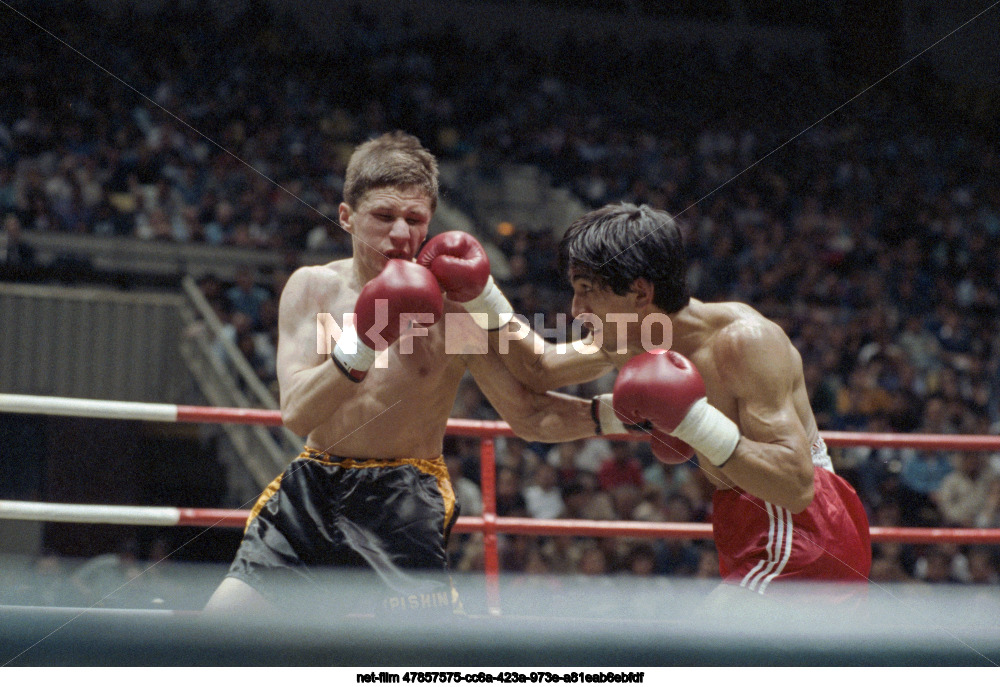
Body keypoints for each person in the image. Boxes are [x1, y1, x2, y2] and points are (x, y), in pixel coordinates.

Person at [203, 132, 604, 618]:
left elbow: (529, 414)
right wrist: (366, 339)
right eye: (383, 217)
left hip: (403, 500)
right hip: (311, 496)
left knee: (417, 664)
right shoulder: (312, 288)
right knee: (219, 631)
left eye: (414, 220)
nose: (400, 234)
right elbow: (297, 413)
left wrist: (626, 418)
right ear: (347, 216)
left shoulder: (453, 309)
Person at [485, 202, 872, 598]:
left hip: (805, 530)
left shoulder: (744, 343)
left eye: (587, 292)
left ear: (639, 292)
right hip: (747, 524)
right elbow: (538, 368)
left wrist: (694, 422)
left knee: (701, 648)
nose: (576, 310)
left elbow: (795, 486)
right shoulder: (631, 337)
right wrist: (476, 300)